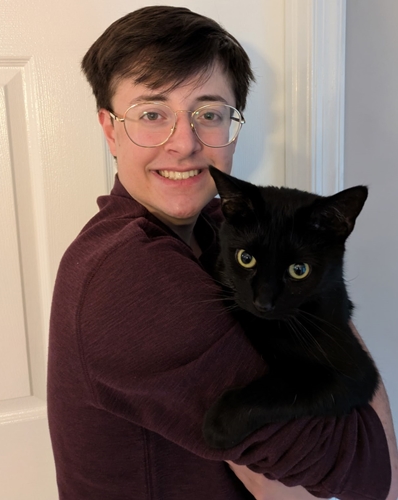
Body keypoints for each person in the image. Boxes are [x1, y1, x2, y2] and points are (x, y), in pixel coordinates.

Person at [47, 5, 398, 500]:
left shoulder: (217, 229)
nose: (183, 144)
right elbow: (368, 471)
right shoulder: (130, 273)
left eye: (208, 114)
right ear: (110, 129)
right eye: (152, 114)